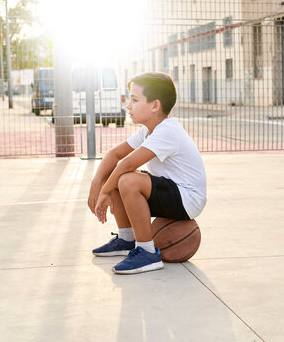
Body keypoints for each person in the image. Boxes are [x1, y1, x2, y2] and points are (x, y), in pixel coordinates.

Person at [87, 72, 207, 275]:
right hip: (171, 191)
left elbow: (126, 164)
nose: (128, 105)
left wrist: (105, 192)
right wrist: (97, 182)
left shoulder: (168, 130)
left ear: (155, 106)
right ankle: (127, 240)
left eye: (134, 99)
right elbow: (115, 155)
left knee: (127, 180)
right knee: (113, 176)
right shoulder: (148, 130)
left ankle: (147, 253)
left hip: (188, 199)